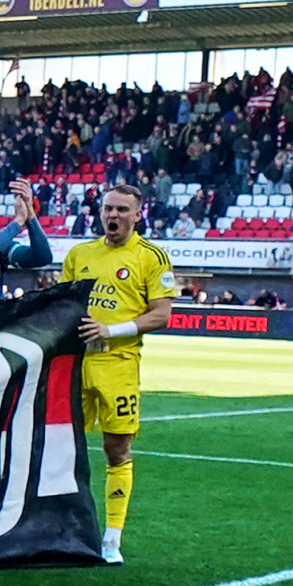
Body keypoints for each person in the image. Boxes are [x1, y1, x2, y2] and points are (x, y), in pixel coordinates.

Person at [64, 182, 178, 564]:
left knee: (117, 449)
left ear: (137, 214)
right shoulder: (80, 254)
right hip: (76, 365)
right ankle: (64, 528)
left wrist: (110, 331)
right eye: (109, 208)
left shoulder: (152, 257)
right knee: (62, 448)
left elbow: (161, 314)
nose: (114, 215)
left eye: (122, 210)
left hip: (118, 364)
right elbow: (62, 304)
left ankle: (111, 538)